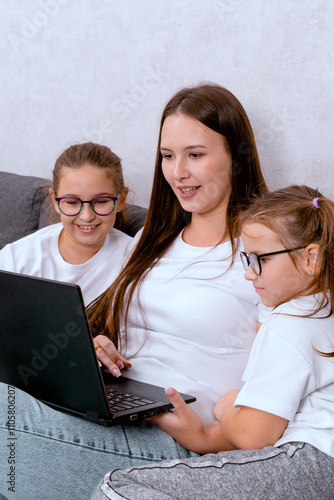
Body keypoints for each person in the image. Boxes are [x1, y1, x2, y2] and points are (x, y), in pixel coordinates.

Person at [0, 83, 268, 500]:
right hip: (113, 408)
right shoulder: (154, 237)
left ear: (236, 155)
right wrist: (94, 352)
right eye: (167, 156)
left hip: (174, 443)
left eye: (195, 155)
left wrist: (211, 438)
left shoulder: (262, 251)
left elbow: (288, 372)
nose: (177, 172)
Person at [91, 185, 334, 500]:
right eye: (247, 259)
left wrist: (227, 405)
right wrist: (204, 436)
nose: (249, 274)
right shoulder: (322, 310)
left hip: (307, 463)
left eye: (260, 260)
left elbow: (252, 435)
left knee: (114, 489)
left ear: (311, 257)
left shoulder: (288, 324)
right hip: (313, 463)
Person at [0, 142, 131, 305]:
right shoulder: (16, 259)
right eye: (72, 202)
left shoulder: (134, 259)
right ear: (56, 201)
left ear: (121, 200)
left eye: (101, 201)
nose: (86, 216)